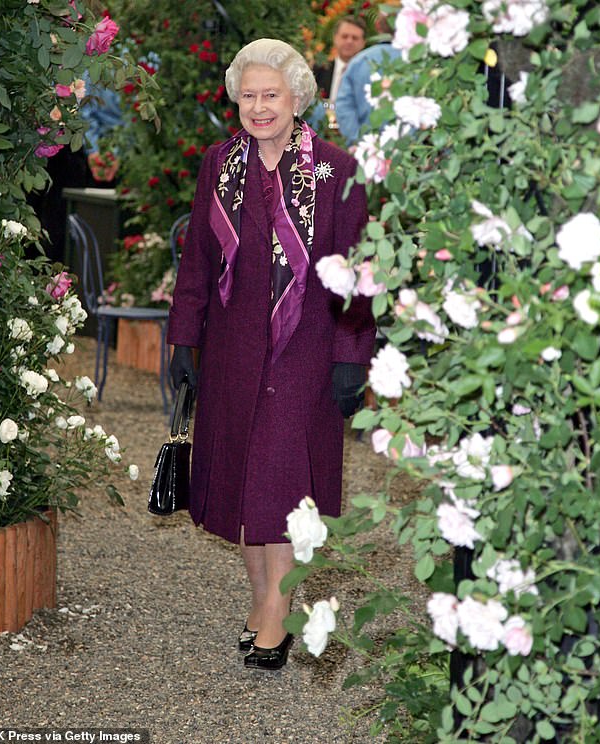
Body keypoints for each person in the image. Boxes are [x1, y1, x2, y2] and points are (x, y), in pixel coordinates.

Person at [167, 38, 375, 671]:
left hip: (305, 353)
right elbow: (198, 261)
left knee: (281, 484)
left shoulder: (336, 171)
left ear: (297, 99)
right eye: (248, 96)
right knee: (238, 484)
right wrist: (183, 339)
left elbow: (358, 273)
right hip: (231, 352)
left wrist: (351, 355)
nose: (258, 108)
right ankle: (264, 605)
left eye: (271, 96)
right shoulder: (218, 165)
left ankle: (278, 617)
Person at [335, 13, 401, 145]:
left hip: (365, 147)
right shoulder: (417, 62)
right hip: (408, 148)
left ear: (378, 27)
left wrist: (357, 141)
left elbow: (344, 106)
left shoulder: (358, 62)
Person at [313, 16, 366, 103]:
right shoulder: (319, 70)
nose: (349, 41)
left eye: (355, 38)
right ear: (335, 38)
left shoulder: (369, 73)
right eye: (345, 36)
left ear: (363, 43)